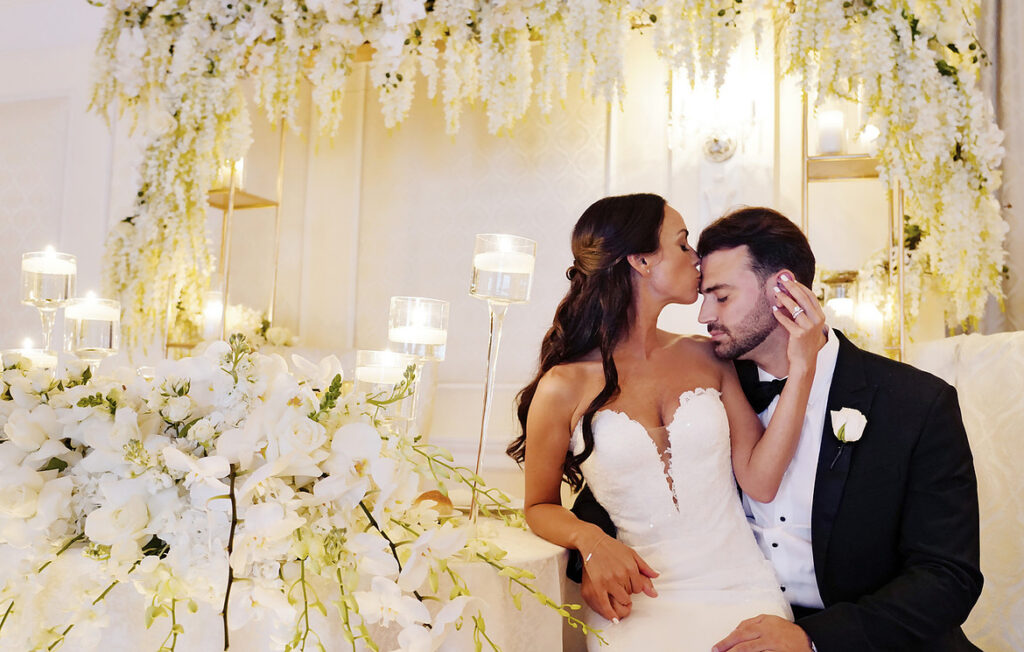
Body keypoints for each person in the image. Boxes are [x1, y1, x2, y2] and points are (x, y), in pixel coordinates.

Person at [571, 206, 983, 651]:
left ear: (784, 291)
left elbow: (948, 577)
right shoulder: (706, 390)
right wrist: (591, 553)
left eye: (721, 297)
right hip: (720, 623)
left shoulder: (916, 404)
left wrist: (812, 639)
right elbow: (619, 488)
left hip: (864, 638)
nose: (704, 315)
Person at [506, 194, 827, 650]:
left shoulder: (707, 356)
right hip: (639, 599)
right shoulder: (563, 386)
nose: (696, 258)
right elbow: (539, 505)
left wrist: (803, 365)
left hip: (743, 589)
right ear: (640, 261)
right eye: (682, 243)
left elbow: (761, 480)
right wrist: (590, 539)